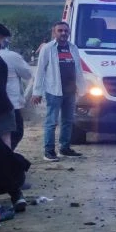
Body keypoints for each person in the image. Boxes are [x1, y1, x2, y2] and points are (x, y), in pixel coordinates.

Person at [30, 21, 85, 161]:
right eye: (60, 30)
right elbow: (40, 71)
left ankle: (64, 148)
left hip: (70, 91)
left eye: (66, 31)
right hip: (54, 91)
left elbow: (78, 69)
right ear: (54, 32)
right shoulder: (48, 48)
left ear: (69, 32)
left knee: (68, 120)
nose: (63, 33)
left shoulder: (73, 48)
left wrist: (82, 88)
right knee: (51, 121)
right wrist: (37, 92)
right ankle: (49, 151)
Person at [0, 37, 34, 151]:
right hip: (10, 102)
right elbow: (28, 74)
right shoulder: (11, 56)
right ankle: (4, 158)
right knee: (16, 132)